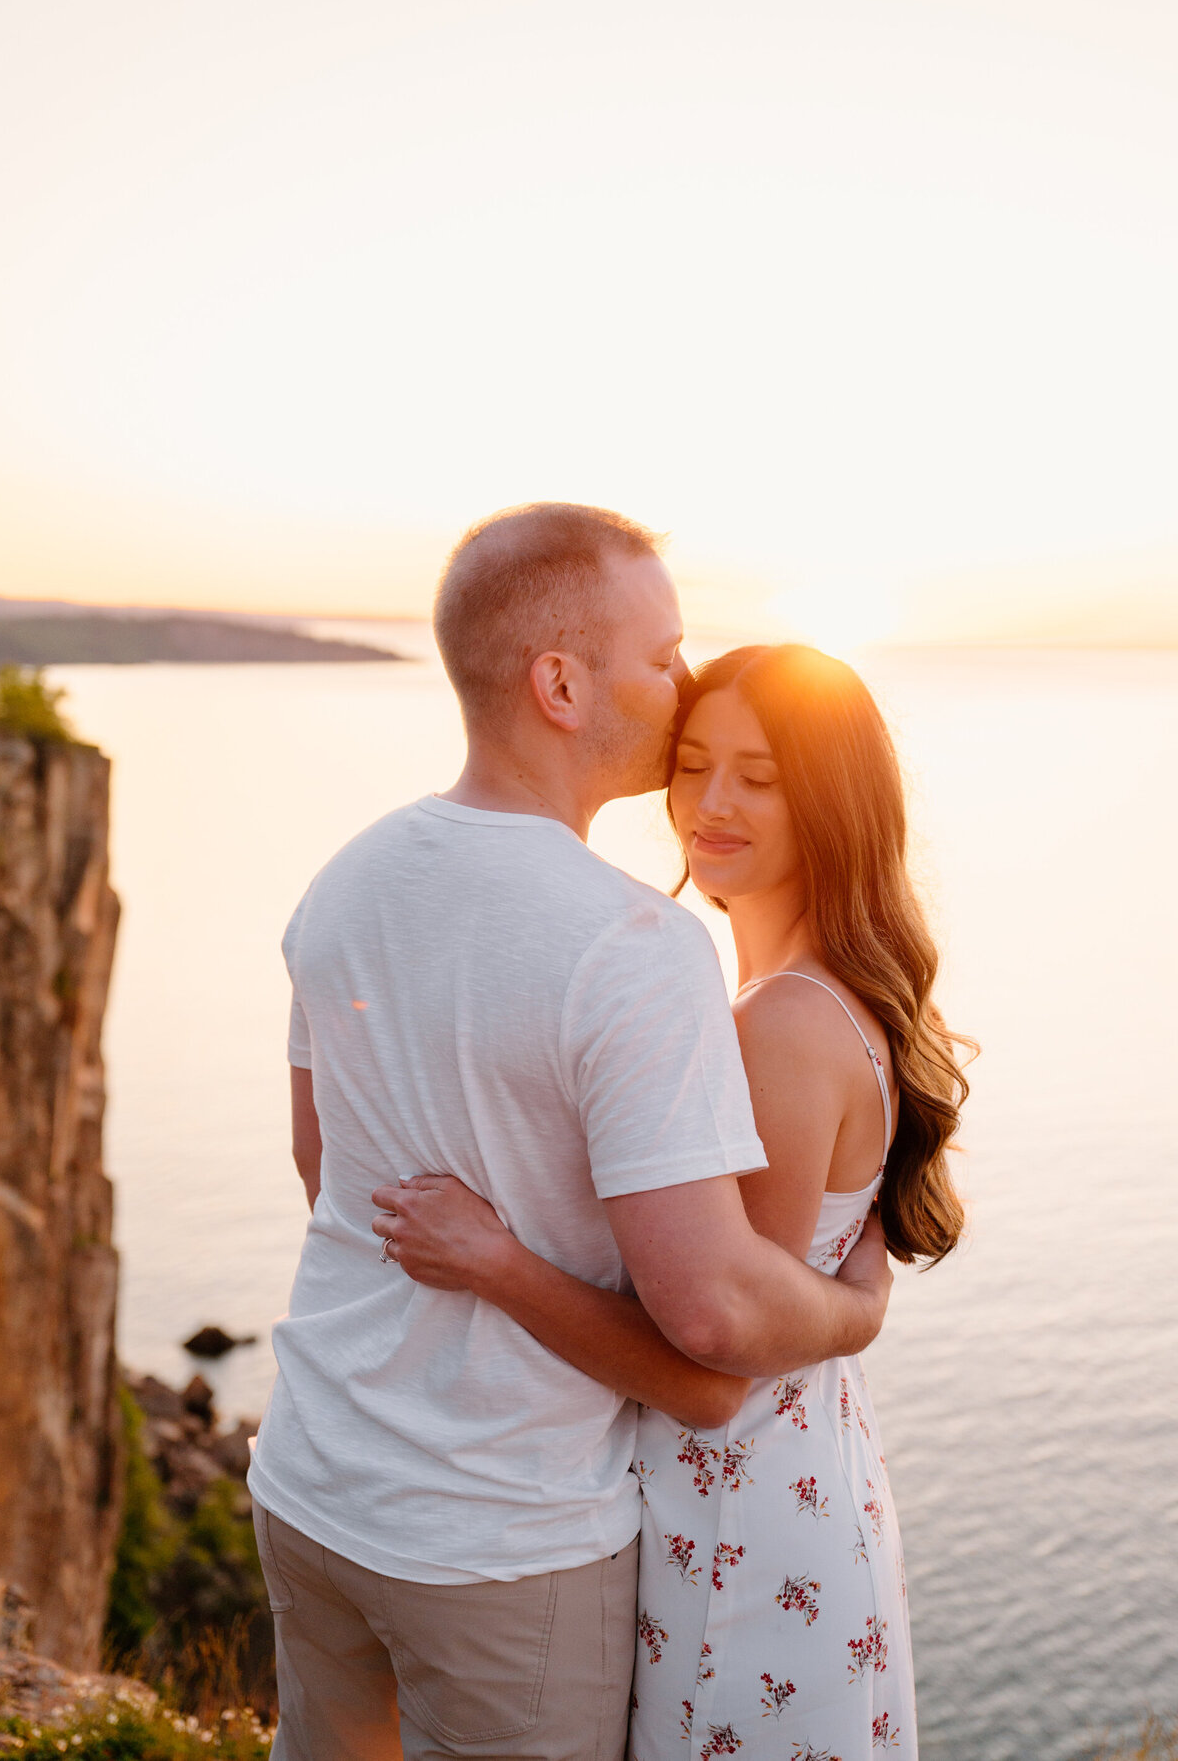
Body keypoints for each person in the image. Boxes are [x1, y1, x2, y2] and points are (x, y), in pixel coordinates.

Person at [248, 505, 893, 1761]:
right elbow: (710, 1344)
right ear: (560, 683)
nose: (681, 681)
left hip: (313, 1484)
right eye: (662, 656)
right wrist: (859, 1310)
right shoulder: (639, 949)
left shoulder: (348, 877)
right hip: (499, 1541)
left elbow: (325, 1168)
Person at [374, 642, 972, 1761]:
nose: (712, 802)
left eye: (762, 773)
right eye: (695, 763)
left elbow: (710, 1367)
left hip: (736, 1526)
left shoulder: (776, 1027)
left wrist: (494, 1260)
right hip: (799, 1488)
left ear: (834, 798)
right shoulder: (810, 995)